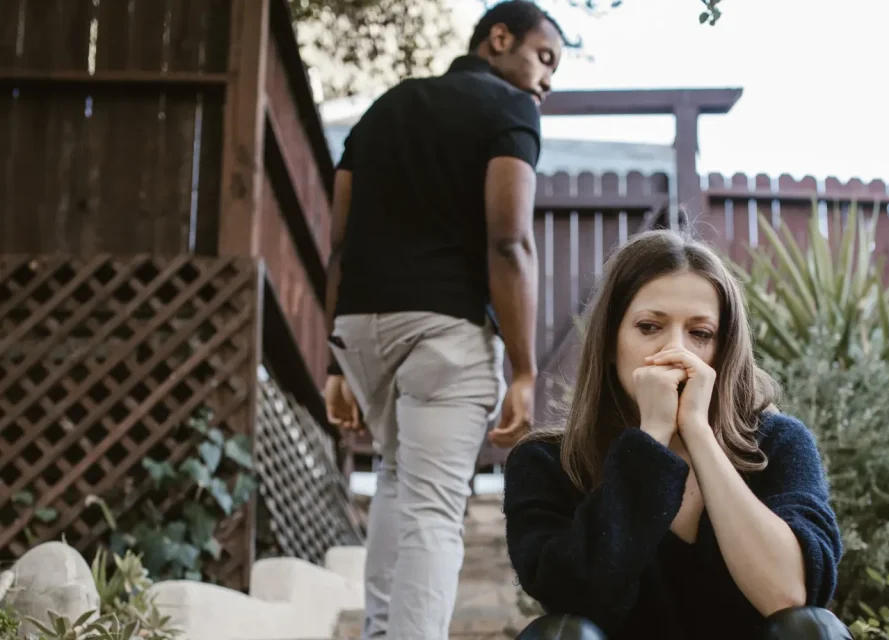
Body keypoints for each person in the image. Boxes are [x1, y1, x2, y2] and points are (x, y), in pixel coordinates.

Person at [321, 2, 566, 638]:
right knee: (433, 506)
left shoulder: (385, 108)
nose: (546, 81)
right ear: (499, 39)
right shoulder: (511, 111)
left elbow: (339, 245)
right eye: (544, 58)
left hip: (363, 330)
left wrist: (332, 361)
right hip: (447, 333)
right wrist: (524, 368)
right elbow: (510, 242)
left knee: (398, 480)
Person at [503, 230, 848, 639]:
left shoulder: (779, 443)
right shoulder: (547, 462)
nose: (675, 351)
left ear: (723, 350)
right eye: (649, 327)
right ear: (612, 342)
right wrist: (651, 440)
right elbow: (576, 598)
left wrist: (698, 434)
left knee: (809, 628)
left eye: (700, 334)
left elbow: (790, 595)